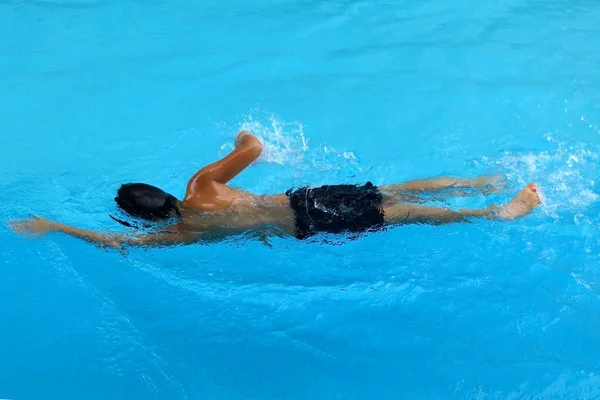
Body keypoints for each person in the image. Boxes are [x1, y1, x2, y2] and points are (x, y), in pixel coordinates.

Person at [9, 130, 541, 249]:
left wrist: (54, 224)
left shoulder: (181, 234)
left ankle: (498, 214)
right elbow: (257, 147)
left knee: (402, 214)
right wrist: (242, 133)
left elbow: (117, 244)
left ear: (146, 216)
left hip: (304, 224)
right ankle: (479, 183)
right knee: (394, 192)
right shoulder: (200, 187)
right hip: (301, 198)